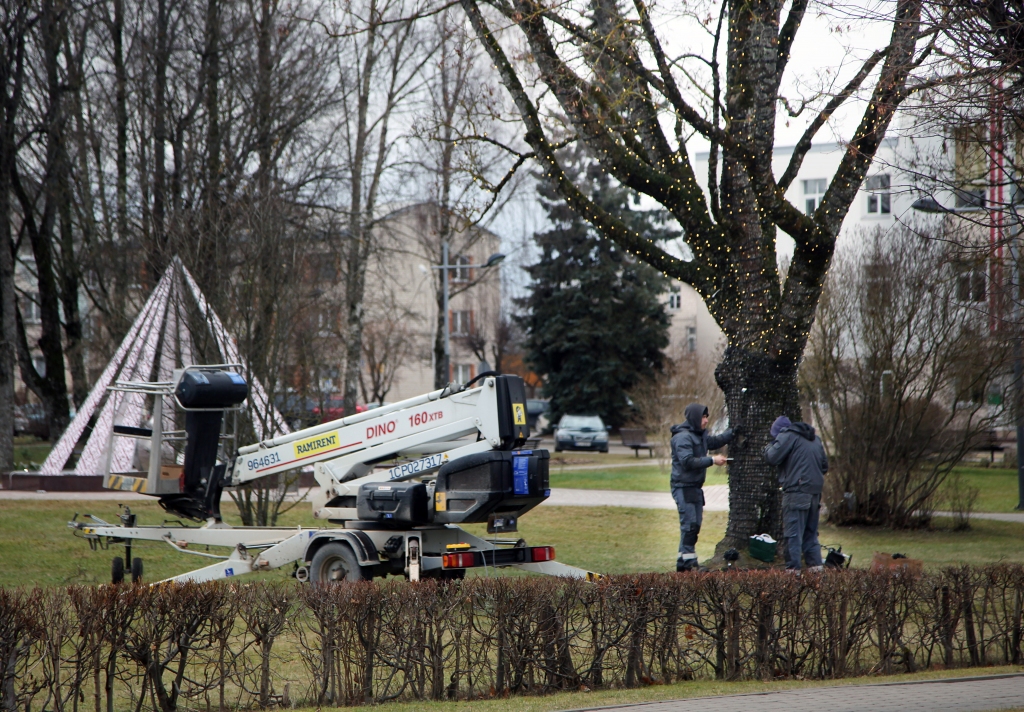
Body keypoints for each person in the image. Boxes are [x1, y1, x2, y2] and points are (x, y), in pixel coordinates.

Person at [670, 403, 737, 572]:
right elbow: (687, 462)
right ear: (694, 418)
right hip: (683, 487)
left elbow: (714, 442)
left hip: (695, 487)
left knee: (695, 525)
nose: (706, 421)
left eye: (707, 417)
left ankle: (684, 563)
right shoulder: (682, 437)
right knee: (689, 525)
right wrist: (712, 460)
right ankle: (688, 563)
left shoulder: (699, 435)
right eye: (703, 417)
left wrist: (732, 433)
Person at [763, 415, 829, 572]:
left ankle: (793, 576)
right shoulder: (814, 439)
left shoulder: (787, 436)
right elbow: (824, 466)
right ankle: (816, 573)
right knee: (811, 534)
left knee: (793, 535)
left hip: (797, 491)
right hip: (815, 492)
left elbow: (771, 457)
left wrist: (770, 445)